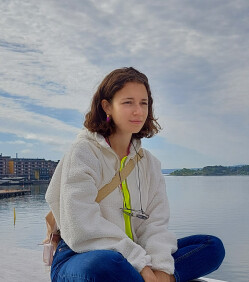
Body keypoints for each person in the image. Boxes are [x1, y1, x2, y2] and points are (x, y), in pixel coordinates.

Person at [45, 67, 225, 282]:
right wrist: (140, 264)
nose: (138, 111)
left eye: (144, 103)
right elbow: (81, 227)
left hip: (136, 254)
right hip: (80, 254)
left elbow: (155, 225)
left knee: (211, 246)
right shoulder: (83, 152)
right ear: (107, 106)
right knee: (106, 264)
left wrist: (160, 268)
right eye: (128, 102)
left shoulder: (148, 163)